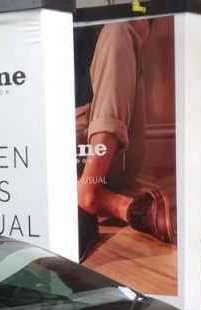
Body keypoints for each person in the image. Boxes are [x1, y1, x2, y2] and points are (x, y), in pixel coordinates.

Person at [75, 19, 175, 260]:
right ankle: (118, 205)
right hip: (59, 139)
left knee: (117, 27)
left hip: (110, 147)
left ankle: (88, 189)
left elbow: (139, 29)